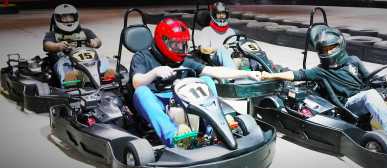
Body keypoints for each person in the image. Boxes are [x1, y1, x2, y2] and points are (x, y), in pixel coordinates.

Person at [261, 27, 387, 141]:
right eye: (323, 50)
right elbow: (298, 74)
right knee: (369, 96)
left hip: (365, 93)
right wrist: (271, 75)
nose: (327, 53)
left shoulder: (353, 61)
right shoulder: (320, 70)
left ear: (339, 46)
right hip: (349, 104)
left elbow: (369, 80)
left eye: (330, 48)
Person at [130, 18, 261, 147]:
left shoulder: (183, 60)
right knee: (141, 92)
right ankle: (175, 138)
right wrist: (154, 72)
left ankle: (214, 129)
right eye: (176, 44)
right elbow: (137, 82)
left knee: (206, 80)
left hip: (183, 98)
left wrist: (246, 73)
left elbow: (214, 71)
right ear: (162, 41)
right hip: (157, 100)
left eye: (183, 44)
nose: (180, 48)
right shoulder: (142, 57)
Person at [43, 4, 114, 88]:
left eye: (70, 17)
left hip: (87, 59)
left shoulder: (85, 31)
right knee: (63, 63)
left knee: (102, 58)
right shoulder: (52, 34)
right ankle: (70, 81)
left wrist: (95, 42)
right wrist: (57, 46)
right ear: (57, 19)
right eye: (64, 18)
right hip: (66, 59)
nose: (68, 20)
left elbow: (98, 41)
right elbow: (47, 44)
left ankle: (105, 76)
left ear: (75, 17)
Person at [194, 1, 237, 68]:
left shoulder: (231, 31)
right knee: (222, 51)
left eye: (223, 13)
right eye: (219, 14)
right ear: (214, 15)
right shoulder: (206, 30)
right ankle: (234, 74)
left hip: (232, 58)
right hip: (214, 60)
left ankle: (257, 70)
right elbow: (203, 49)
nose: (221, 16)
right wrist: (219, 48)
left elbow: (235, 46)